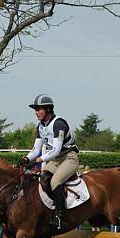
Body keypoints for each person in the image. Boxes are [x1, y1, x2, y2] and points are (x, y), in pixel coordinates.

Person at [19, 94, 79, 230]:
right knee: (42, 179)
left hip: (69, 158)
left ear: (48, 109)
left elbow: (56, 150)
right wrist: (26, 159)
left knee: (55, 182)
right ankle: (48, 212)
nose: (36, 112)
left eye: (39, 109)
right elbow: (36, 149)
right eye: (35, 109)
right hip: (56, 160)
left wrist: (38, 160)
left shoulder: (58, 124)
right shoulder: (41, 126)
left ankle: (62, 217)